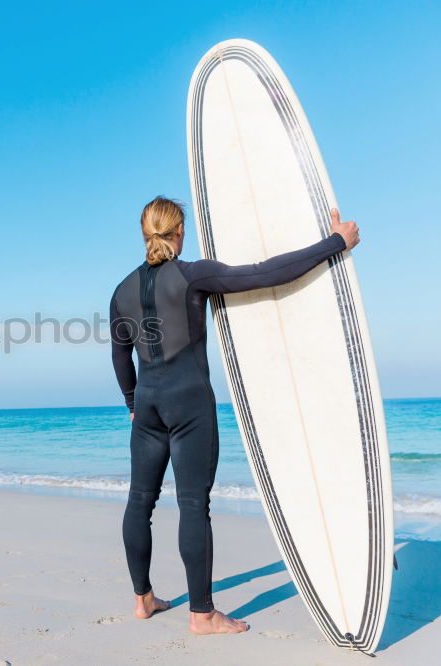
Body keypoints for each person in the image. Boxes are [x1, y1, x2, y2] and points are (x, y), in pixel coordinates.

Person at [109, 196, 360, 634]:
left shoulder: (121, 292)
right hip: (189, 404)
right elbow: (266, 273)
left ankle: (143, 600)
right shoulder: (193, 276)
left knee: (139, 501)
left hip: (148, 406)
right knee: (192, 503)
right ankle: (202, 615)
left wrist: (133, 404)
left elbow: (119, 356)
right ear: (178, 231)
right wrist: (334, 243)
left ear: (145, 233)